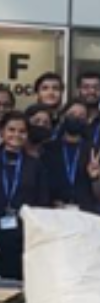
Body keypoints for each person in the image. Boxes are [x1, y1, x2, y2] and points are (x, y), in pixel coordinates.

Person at [0, 112, 50, 280]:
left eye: (21, 131)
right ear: (2, 132)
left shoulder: (35, 165)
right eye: (11, 130)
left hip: (23, 235)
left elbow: (42, 202)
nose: (16, 135)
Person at [43, 100, 97, 211]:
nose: (76, 118)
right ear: (63, 117)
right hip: (53, 210)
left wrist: (95, 178)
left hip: (85, 212)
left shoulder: (93, 150)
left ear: (87, 120)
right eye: (72, 114)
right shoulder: (48, 148)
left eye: (81, 115)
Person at [76, 71, 100, 150]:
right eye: (86, 87)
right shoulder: (70, 118)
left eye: (96, 88)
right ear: (78, 90)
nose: (92, 91)